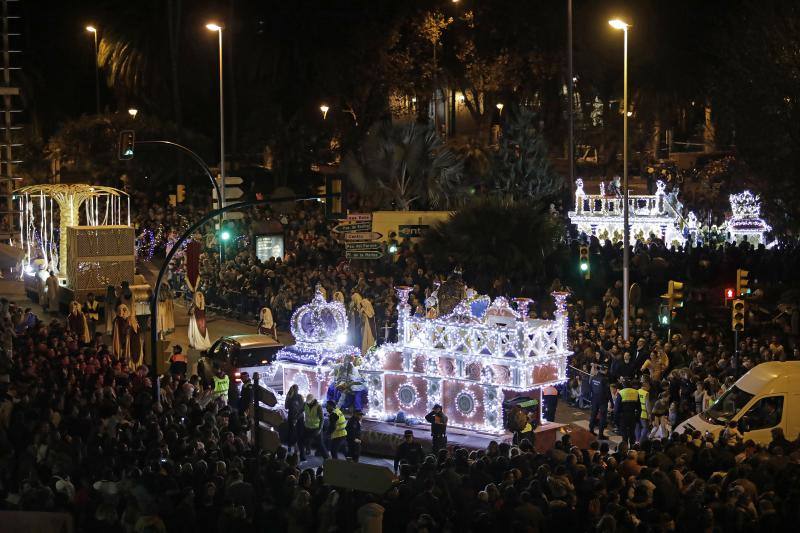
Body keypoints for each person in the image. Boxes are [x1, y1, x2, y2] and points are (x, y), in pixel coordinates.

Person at [615, 378, 642, 448]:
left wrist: (616, 419)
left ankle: (625, 448)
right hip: (632, 415)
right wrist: (637, 418)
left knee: (624, 434)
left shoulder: (621, 392)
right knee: (632, 433)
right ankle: (632, 448)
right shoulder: (636, 392)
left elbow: (617, 408)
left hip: (623, 416)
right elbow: (639, 407)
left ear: (623, 385)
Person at [589, 365, 611, 439]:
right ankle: (600, 435)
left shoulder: (593, 377)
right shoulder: (605, 379)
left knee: (593, 415)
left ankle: (591, 430)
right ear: (605, 370)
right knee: (602, 417)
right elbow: (608, 392)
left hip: (594, 399)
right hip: (602, 400)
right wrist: (611, 401)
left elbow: (591, 388)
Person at [302, 394, 325, 459]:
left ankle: (326, 456)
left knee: (320, 443)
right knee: (307, 440)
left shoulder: (318, 406)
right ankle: (308, 450)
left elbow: (322, 418)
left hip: (316, 428)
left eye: (310, 401)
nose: (308, 403)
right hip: (307, 426)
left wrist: (320, 429)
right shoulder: (305, 404)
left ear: (313, 400)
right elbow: (301, 411)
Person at [284, 384, 305, 456]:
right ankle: (291, 447)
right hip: (293, 417)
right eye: (296, 389)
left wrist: (296, 418)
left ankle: (296, 448)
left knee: (296, 433)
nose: (296, 390)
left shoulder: (299, 397)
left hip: (298, 417)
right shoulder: (291, 396)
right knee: (292, 432)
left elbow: (302, 408)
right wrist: (288, 397)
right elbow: (286, 407)